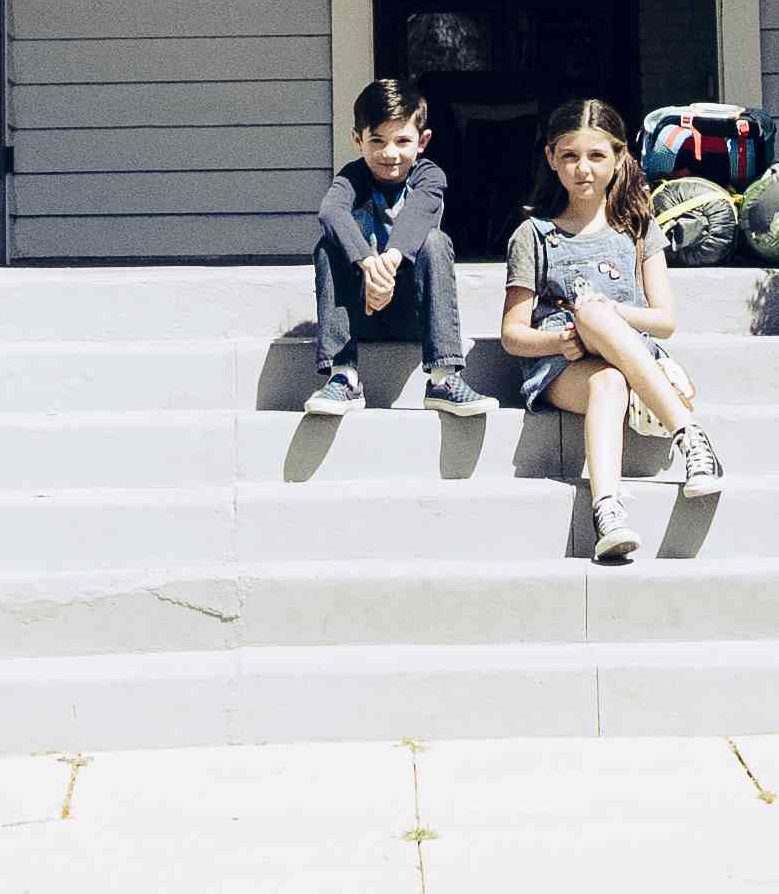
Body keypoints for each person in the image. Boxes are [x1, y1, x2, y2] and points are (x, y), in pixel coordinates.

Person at [496, 97, 720, 560]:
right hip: (564, 367)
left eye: (597, 156)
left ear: (619, 159)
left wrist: (602, 313)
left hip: (630, 355)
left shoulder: (637, 227)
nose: (583, 169)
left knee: (604, 341)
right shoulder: (534, 235)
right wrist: (558, 339)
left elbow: (665, 320)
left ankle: (664, 460)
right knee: (606, 375)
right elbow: (512, 334)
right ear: (551, 159)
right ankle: (622, 500)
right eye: (570, 156)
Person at [307, 75, 492, 417]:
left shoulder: (429, 176)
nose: (389, 153)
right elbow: (329, 212)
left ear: (423, 141)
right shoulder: (351, 178)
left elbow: (419, 216)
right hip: (360, 313)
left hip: (414, 312)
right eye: (376, 140)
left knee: (436, 241)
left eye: (402, 141)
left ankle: (443, 378)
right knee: (327, 247)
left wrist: (388, 262)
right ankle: (343, 376)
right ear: (356, 140)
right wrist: (367, 263)